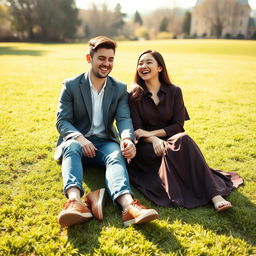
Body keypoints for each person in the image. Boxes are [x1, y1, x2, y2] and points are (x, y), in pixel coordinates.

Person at [55, 37, 158, 227]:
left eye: (111, 59)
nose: (106, 64)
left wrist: (127, 139)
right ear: (89, 58)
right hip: (77, 142)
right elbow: (62, 121)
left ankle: (129, 207)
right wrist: (80, 138)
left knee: (116, 154)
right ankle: (75, 202)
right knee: (70, 145)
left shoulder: (118, 88)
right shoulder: (70, 85)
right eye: (101, 58)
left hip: (105, 143)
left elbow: (124, 119)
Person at [128, 50, 243, 211]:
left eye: (148, 62)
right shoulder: (134, 95)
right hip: (146, 148)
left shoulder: (175, 91)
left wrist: (153, 133)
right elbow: (137, 131)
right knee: (177, 146)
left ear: (160, 68)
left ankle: (215, 196)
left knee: (183, 138)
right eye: (140, 63)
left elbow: (178, 126)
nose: (143, 66)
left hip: (171, 141)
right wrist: (153, 139)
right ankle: (191, 189)